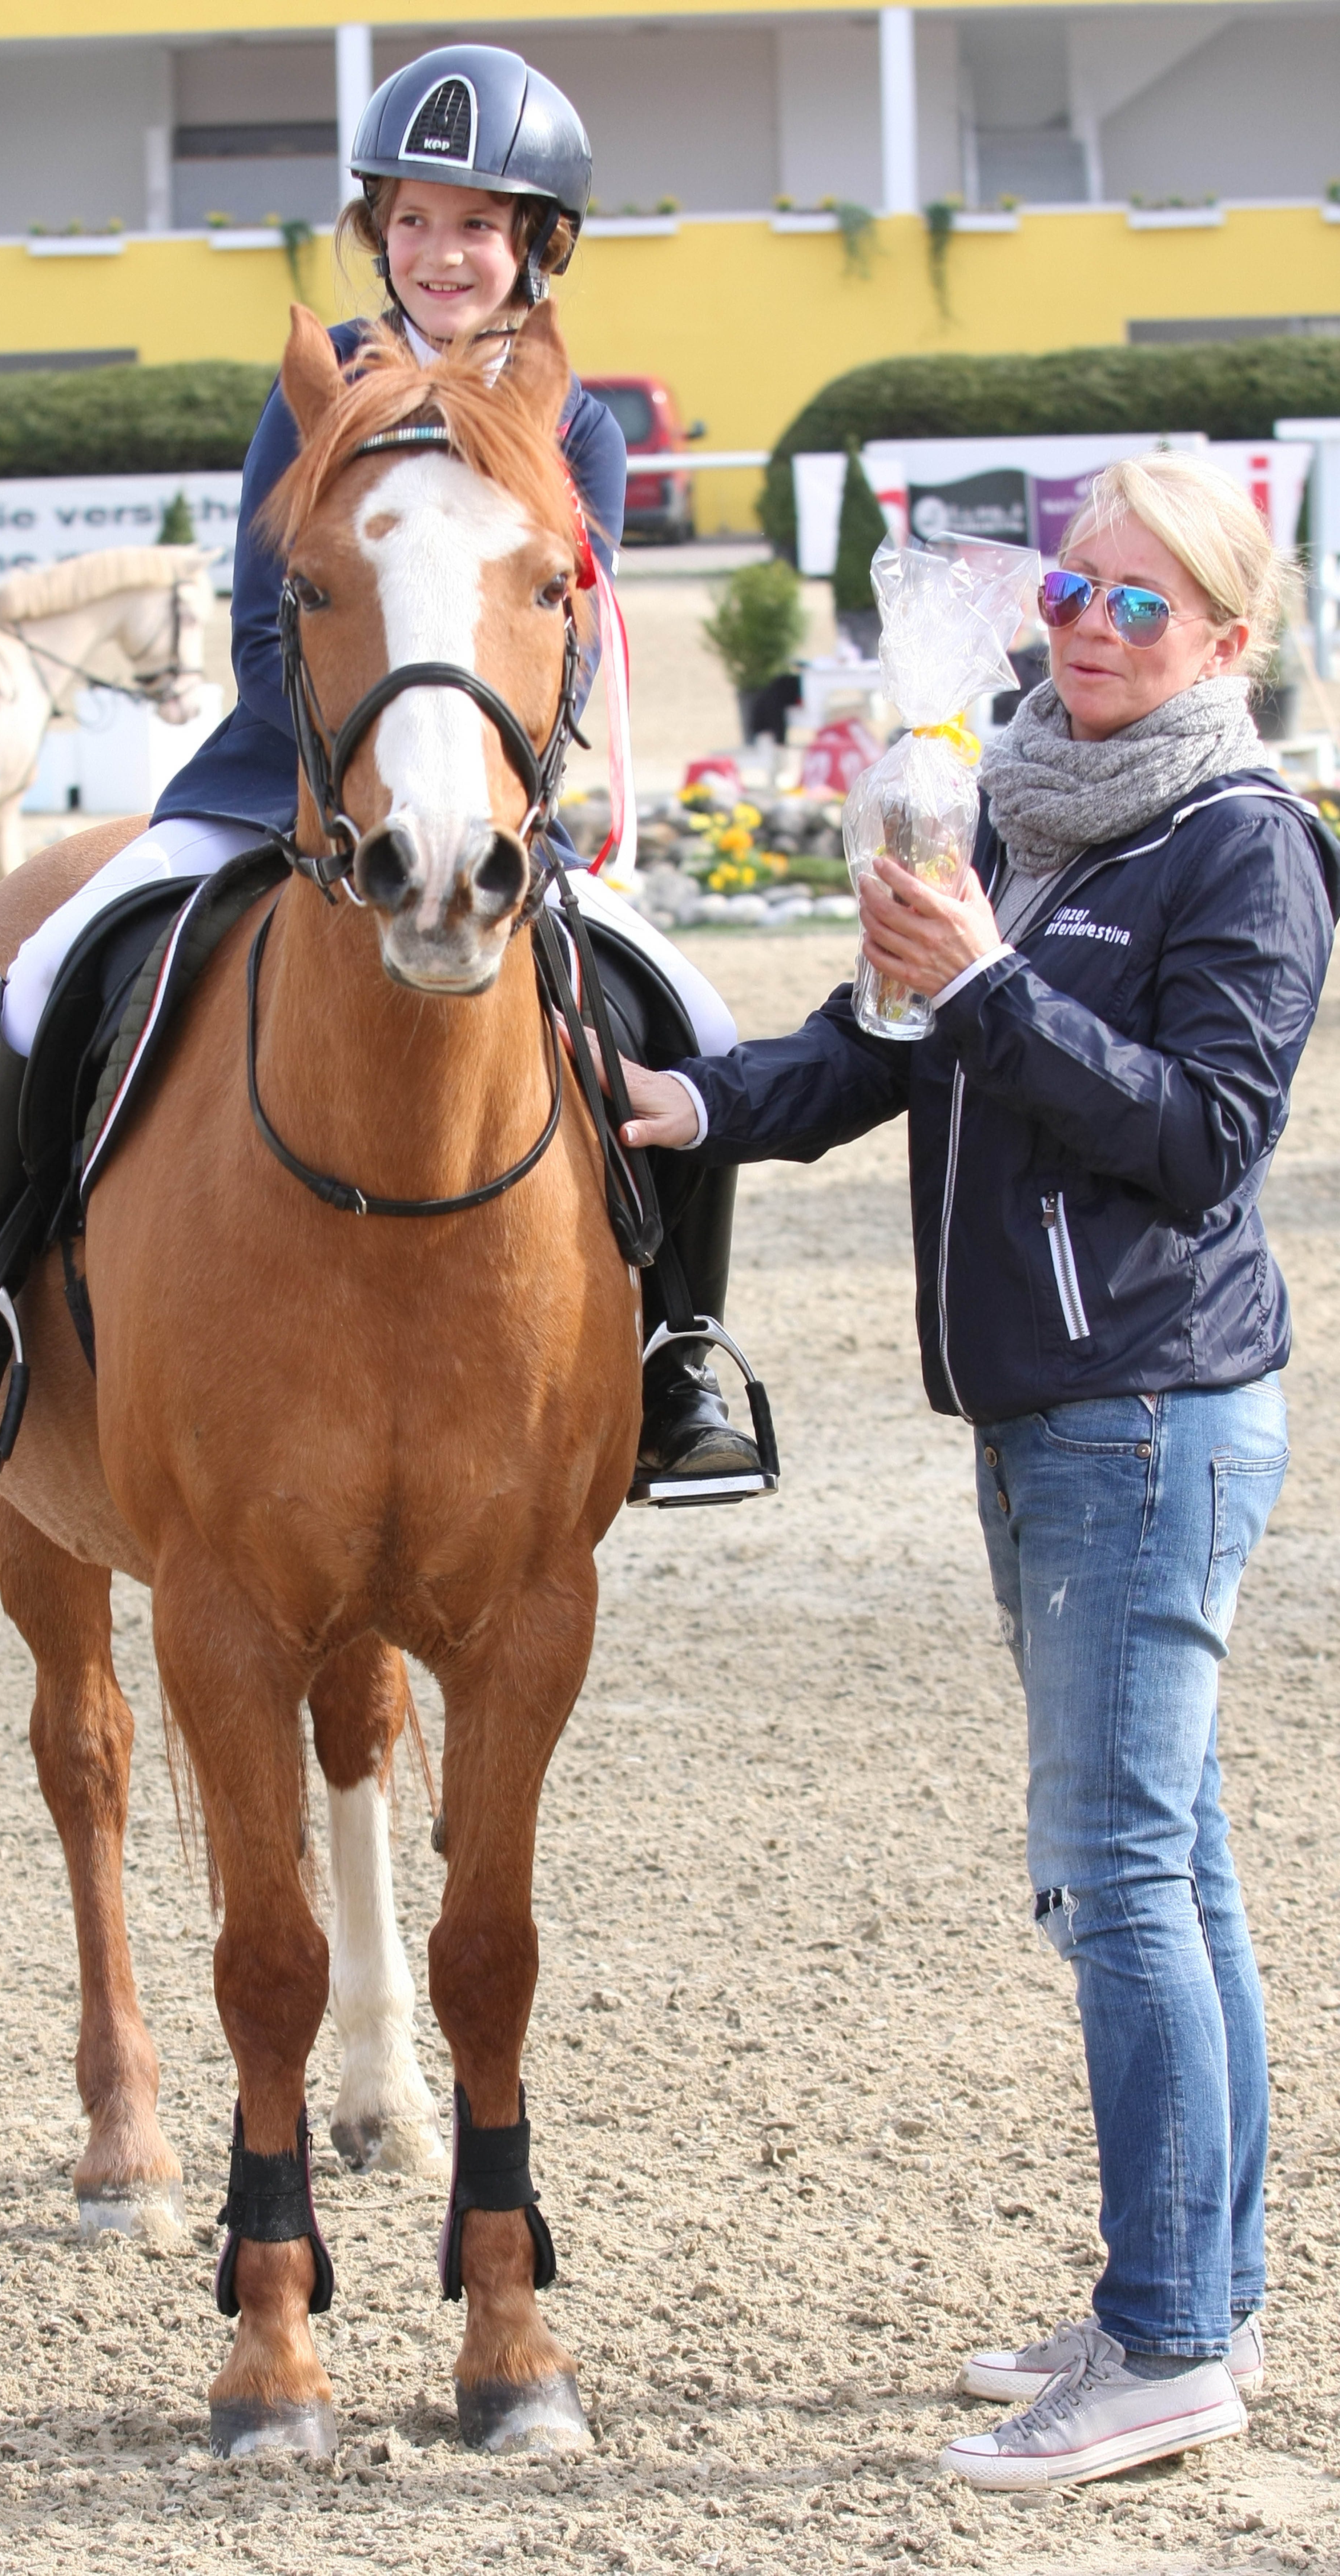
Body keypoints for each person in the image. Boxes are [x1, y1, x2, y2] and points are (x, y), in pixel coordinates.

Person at [600, 454, 1338, 2487]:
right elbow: (887, 1047)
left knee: (1115, 1872)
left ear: (1223, 641)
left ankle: (1170, 2343)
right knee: (1164, 1862)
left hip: (1141, 1415)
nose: (1084, 631)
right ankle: (1181, 2284)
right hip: (1054, 1411)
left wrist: (987, 982)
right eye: (1070, 596)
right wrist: (699, 1097)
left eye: (1135, 608)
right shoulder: (1030, 810)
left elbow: (1195, 1136)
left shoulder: (1237, 847)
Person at [0, 43, 759, 1502]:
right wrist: (354, 790)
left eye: (474, 223)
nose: (439, 251)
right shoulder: (319, 384)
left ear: (534, 240)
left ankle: (677, 1353)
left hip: (488, 797)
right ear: (376, 233)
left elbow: (568, 649)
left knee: (693, 1013)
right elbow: (257, 619)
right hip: (277, 789)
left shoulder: (573, 423)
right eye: (409, 220)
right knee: (40, 975)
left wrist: (474, 779)